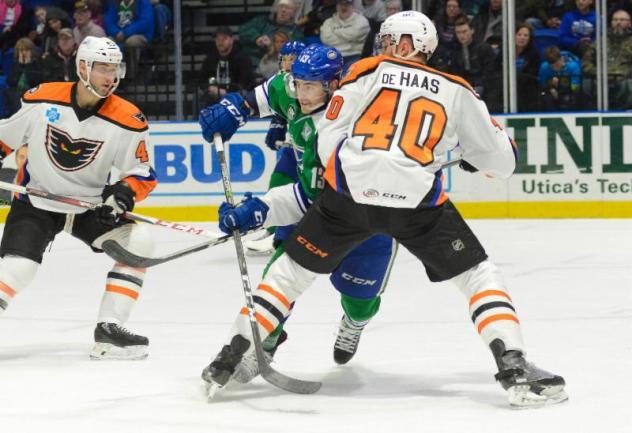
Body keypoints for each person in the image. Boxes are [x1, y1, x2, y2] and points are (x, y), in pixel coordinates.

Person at [200, 11, 568, 408]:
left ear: (401, 44)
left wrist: (354, 170)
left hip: (347, 197)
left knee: (288, 275)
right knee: (479, 276)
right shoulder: (457, 88)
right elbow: (503, 164)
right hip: (415, 202)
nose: (385, 48)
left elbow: (329, 137)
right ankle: (512, 365)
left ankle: (228, 357)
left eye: (389, 41)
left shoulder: (361, 72)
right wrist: (476, 154)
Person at [198, 43, 397, 385]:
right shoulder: (291, 87)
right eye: (297, 83)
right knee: (280, 272)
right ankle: (263, 342)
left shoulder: (347, 126)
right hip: (316, 205)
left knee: (360, 301)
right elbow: (261, 96)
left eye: (310, 86)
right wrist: (235, 107)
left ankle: (354, 323)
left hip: (368, 223)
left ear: (333, 85)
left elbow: (315, 198)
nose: (300, 94)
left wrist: (259, 210)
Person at [0, 36, 158, 360]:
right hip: (37, 202)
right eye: (103, 68)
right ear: (83, 67)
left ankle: (110, 330)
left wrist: (123, 194)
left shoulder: (128, 119)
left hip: (90, 208)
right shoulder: (43, 99)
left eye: (114, 69)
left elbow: (142, 172)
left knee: (139, 241)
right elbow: (5, 139)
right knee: (18, 269)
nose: (110, 77)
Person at [244, 39, 305, 256]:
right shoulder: (279, 82)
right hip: (296, 145)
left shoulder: (311, 81)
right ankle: (272, 230)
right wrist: (277, 122)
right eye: (284, 59)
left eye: (292, 59)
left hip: (316, 148)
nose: (287, 63)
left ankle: (286, 233)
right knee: (278, 181)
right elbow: (279, 105)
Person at [583, 9, 632, 110]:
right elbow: (586, 61)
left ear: (629, 23)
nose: (618, 22)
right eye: (615, 20)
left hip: (624, 79)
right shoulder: (601, 40)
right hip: (600, 79)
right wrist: (596, 72)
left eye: (622, 20)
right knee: (586, 84)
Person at [196, 26, 255, 108]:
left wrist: (226, 91)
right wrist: (210, 88)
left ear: (232, 40)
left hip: (236, 94)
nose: (220, 42)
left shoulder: (242, 58)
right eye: (218, 39)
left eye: (224, 39)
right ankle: (203, 119)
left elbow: (245, 83)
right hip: (214, 95)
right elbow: (202, 79)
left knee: (243, 94)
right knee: (200, 95)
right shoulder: (210, 59)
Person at [239, 0, 304, 66]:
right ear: (276, 9)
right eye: (281, 6)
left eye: (288, 8)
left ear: (294, 12)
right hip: (251, 62)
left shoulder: (296, 33)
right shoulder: (261, 21)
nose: (283, 10)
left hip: (275, 66)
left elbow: (294, 53)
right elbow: (243, 30)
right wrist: (257, 38)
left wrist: (272, 46)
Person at [320, 0, 370, 70]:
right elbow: (326, 39)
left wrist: (335, 31)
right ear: (337, 6)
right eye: (341, 4)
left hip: (353, 55)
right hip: (333, 57)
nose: (343, 7)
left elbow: (354, 35)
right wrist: (348, 39)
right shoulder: (328, 22)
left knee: (347, 75)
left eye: (347, 4)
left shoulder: (362, 20)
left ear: (352, 6)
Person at [538, 44, 582, 111]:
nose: (555, 68)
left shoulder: (573, 66)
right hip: (552, 92)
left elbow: (576, 87)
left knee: (571, 98)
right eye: (552, 66)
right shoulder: (544, 67)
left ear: (561, 59)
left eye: (557, 65)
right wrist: (550, 87)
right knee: (546, 97)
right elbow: (542, 84)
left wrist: (561, 85)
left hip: (570, 92)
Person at [515, 23, 541, 112]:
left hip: (526, 87)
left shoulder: (534, 53)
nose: (522, 38)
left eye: (526, 35)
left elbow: (533, 74)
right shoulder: (505, 50)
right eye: (519, 35)